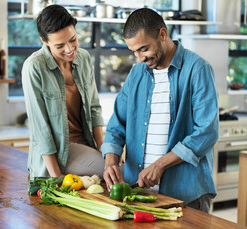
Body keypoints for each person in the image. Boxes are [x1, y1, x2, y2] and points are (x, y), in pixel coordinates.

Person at [101, 8, 219, 213]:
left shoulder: (197, 69)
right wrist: (110, 160)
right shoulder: (137, 73)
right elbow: (116, 124)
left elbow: (207, 132)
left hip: (185, 194)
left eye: (144, 49)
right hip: (137, 194)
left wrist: (160, 164)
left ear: (162, 34)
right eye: (134, 52)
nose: (139, 58)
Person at [22, 5, 104, 179]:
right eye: (60, 45)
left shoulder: (83, 58)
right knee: (121, 173)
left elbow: (94, 108)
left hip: (85, 145)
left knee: (119, 167)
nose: (69, 49)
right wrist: (56, 177)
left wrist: (104, 151)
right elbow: (40, 128)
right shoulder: (35, 66)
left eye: (73, 40)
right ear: (44, 41)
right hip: (60, 153)